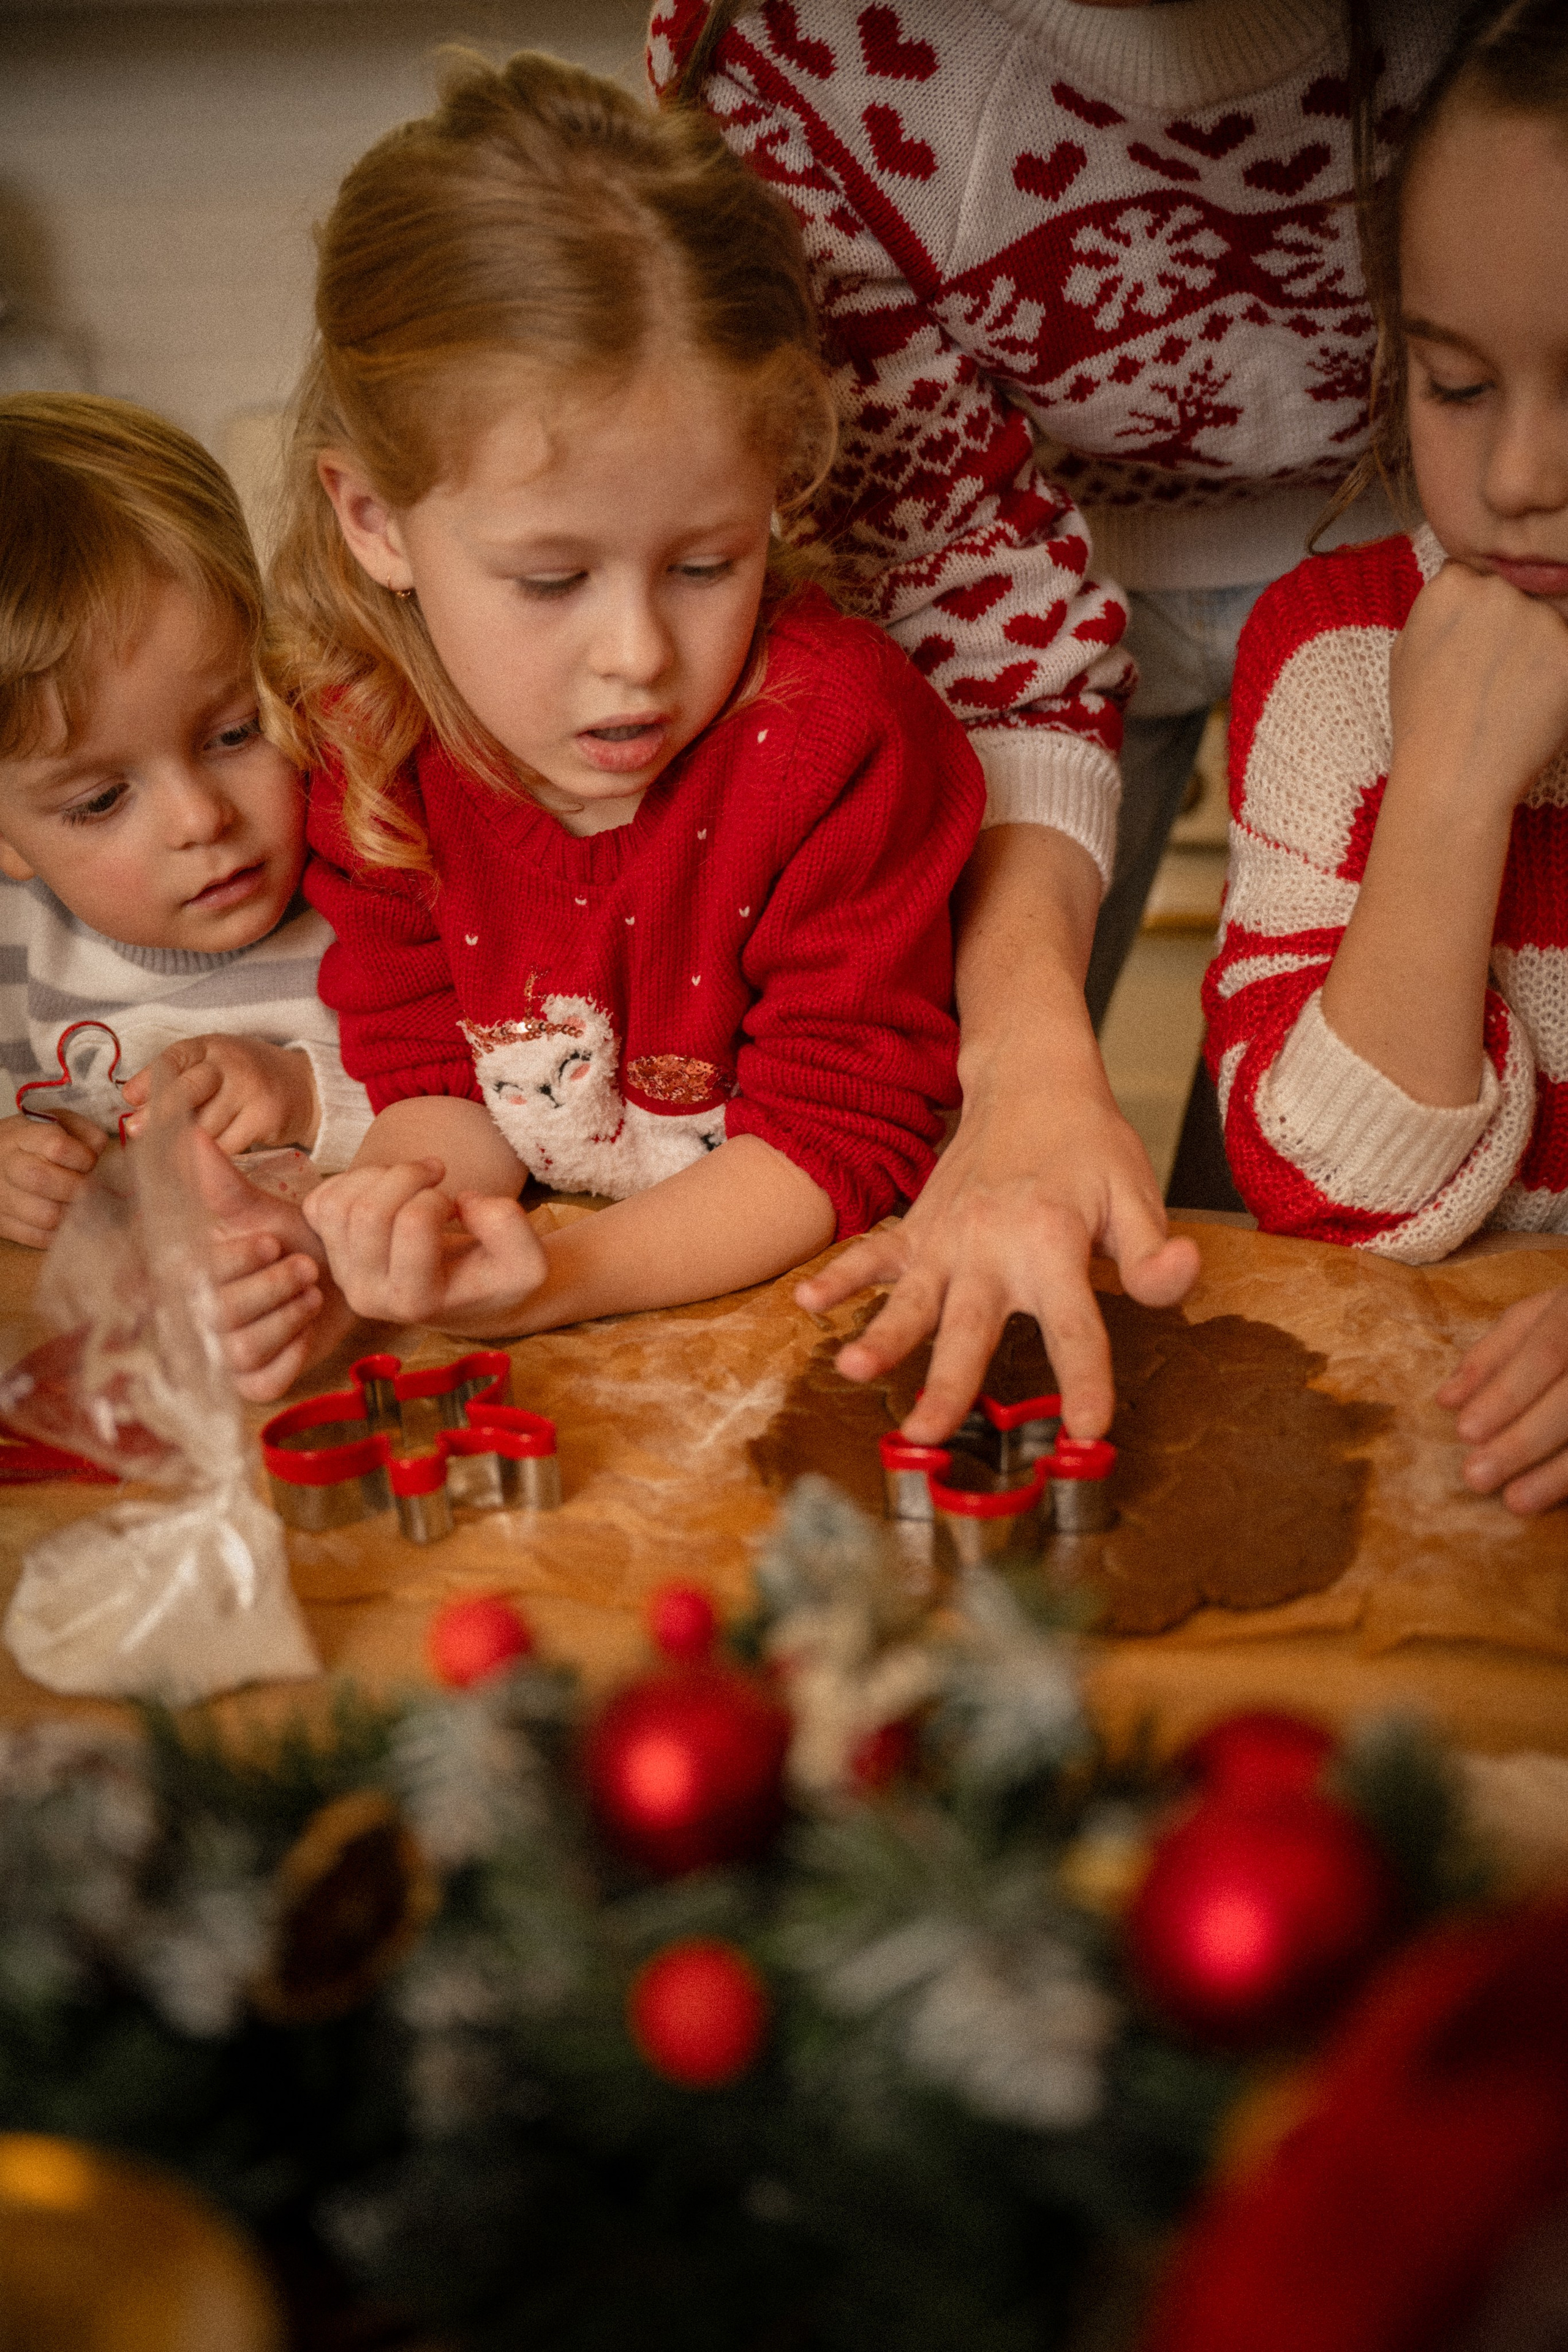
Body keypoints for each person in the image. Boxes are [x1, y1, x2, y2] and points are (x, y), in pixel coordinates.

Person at [652, 0, 1452, 1441]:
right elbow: (947, 559)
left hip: (1446, 533)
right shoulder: (780, 50)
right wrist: (1018, 1056)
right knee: (972, 1142)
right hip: (1009, 569)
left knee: (1326, 1198)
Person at [210, 47, 986, 1402]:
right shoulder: (372, 744)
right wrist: (408, 1220)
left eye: (706, 565)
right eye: (551, 580)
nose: (635, 659)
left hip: (815, 1346)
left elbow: (837, 1137)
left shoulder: (839, 743)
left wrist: (552, 1284)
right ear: (374, 520)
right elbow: (437, 1074)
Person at [1204, 0, 1568, 1513]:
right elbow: (1324, 1198)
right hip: (1444, 1446)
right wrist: (1445, 790)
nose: (1513, 480)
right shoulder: (1331, 658)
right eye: (1454, 386)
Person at [0, 393, 372, 1250]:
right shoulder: (16, 951)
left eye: (236, 733)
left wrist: (302, 1092)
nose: (201, 818)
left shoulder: (366, 888)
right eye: (100, 800)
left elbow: (476, 1100)